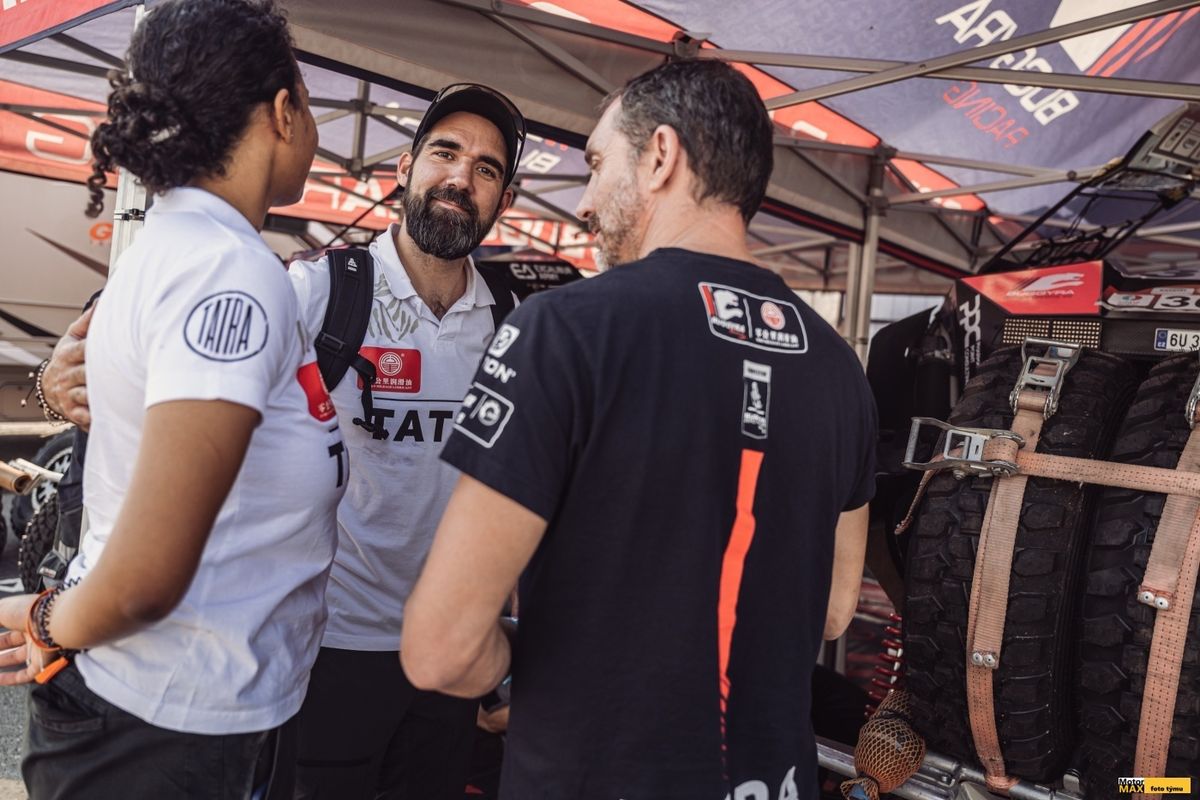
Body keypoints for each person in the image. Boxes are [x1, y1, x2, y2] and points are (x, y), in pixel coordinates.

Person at [400, 58, 876, 800]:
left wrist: (517, 665)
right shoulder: (840, 366)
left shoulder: (562, 330)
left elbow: (440, 648)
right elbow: (837, 609)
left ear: (660, 157)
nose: (585, 202)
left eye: (596, 164)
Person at [39, 82, 527, 799]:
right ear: (404, 169)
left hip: (451, 648)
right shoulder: (321, 290)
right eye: (445, 153)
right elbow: (142, 353)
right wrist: (53, 386)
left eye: (486, 169)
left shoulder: (513, 322)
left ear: (504, 201)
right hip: (328, 647)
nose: (460, 178)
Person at [0, 1, 344, 798]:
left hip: (170, 712)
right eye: (308, 101)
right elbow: (145, 581)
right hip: (164, 729)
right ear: (283, 112)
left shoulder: (182, 247)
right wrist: (47, 620)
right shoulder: (227, 270)